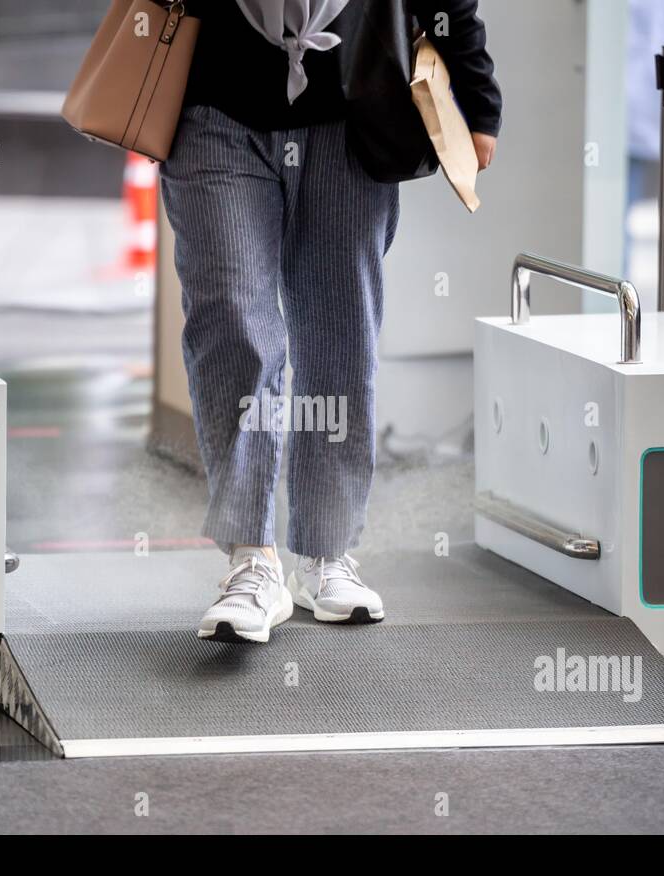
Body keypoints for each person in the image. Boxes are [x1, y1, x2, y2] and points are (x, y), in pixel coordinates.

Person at [159, 0, 501, 643]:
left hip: (354, 110)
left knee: (340, 330)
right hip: (215, 105)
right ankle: (251, 558)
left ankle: (327, 553)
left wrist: (476, 94)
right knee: (232, 319)